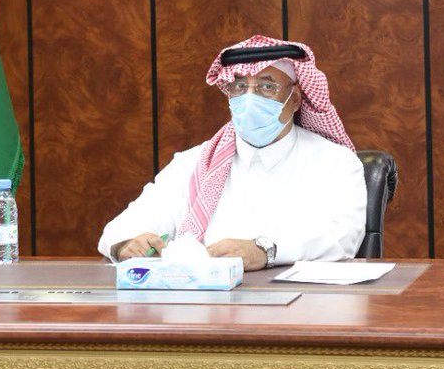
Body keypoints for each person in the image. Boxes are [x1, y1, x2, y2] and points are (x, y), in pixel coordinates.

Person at [98, 35, 367, 270]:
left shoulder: (336, 162)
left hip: (300, 306)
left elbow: (342, 237)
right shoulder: (192, 163)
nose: (250, 98)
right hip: (203, 305)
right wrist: (127, 244)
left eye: (267, 86)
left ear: (295, 98)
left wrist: (265, 251)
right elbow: (120, 230)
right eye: (240, 87)